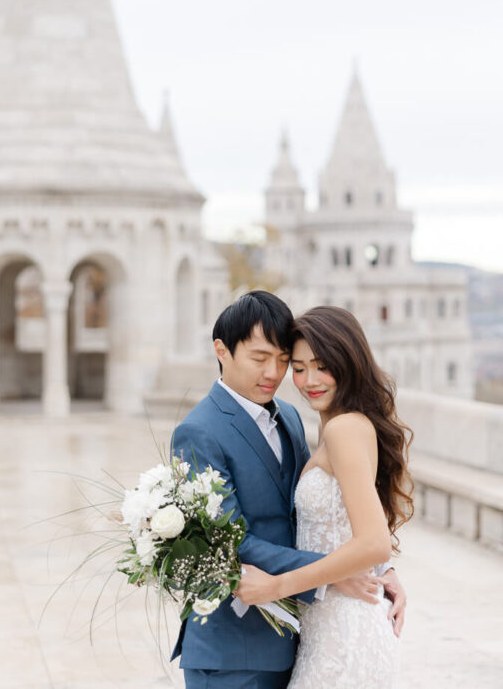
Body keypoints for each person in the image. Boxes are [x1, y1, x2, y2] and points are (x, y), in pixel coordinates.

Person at [171, 291, 406, 689]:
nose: (274, 374)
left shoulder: (294, 418)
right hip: (235, 647)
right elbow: (232, 539)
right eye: (261, 359)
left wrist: (380, 569)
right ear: (222, 351)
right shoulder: (198, 431)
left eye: (283, 362)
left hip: (301, 636)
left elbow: (329, 511)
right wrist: (327, 578)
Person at [235, 305, 414, 688]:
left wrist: (277, 586)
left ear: (348, 362)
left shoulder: (344, 429)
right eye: (298, 368)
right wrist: (382, 575)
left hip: (346, 633)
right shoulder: (338, 426)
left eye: (322, 366)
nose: (309, 380)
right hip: (329, 627)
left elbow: (374, 542)